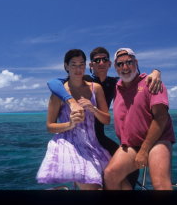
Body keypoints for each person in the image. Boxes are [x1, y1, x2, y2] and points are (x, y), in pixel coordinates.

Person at [47, 47, 162, 188]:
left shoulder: (115, 83)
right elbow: (53, 83)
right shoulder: (84, 80)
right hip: (82, 139)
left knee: (129, 171)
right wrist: (71, 101)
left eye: (105, 59)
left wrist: (156, 72)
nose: (101, 63)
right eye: (97, 60)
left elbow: (136, 80)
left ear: (109, 64)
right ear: (91, 65)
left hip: (99, 136)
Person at [36, 49, 111, 190]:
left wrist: (93, 109)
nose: (78, 69)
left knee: (113, 180)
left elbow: (107, 119)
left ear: (86, 66)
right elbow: (50, 126)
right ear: (66, 67)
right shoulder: (59, 93)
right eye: (74, 65)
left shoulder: (96, 89)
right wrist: (70, 124)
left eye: (81, 64)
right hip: (68, 144)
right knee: (91, 187)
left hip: (92, 144)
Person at [104, 48, 176, 190]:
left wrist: (144, 150)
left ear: (136, 63)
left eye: (129, 62)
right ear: (115, 67)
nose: (125, 67)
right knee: (110, 174)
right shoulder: (117, 87)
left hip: (157, 141)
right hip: (131, 145)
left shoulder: (152, 83)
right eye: (120, 64)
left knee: (160, 185)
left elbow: (161, 118)